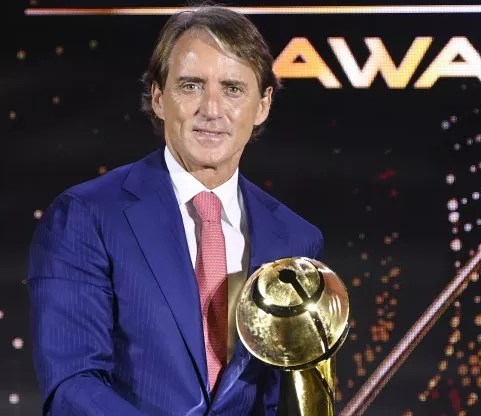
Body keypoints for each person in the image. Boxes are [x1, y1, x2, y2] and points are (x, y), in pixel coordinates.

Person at [27, 4, 324, 415]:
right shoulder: (85, 217)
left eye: (233, 89)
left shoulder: (296, 240)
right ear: (158, 98)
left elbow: (291, 399)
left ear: (263, 104)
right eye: (191, 86)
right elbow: (72, 384)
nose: (212, 110)